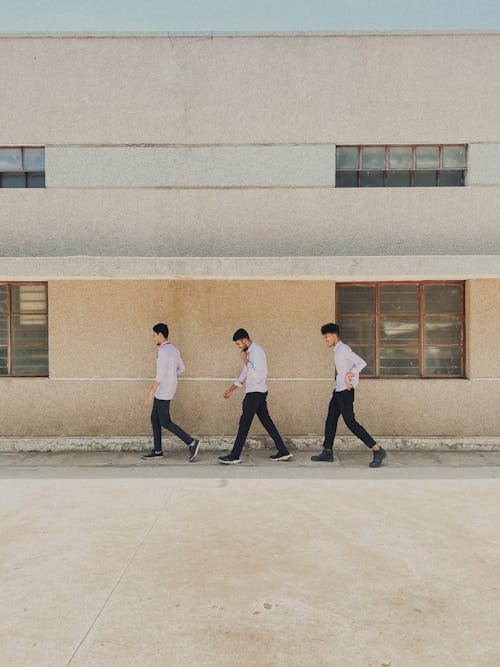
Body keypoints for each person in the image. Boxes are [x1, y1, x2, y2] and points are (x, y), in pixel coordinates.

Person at [311, 322, 386, 468]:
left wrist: (350, 376)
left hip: (345, 392)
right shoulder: (337, 350)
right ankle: (327, 451)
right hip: (338, 391)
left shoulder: (343, 349)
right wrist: (344, 377)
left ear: (333, 335)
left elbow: (361, 363)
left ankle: (377, 449)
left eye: (326, 337)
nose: (325, 340)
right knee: (330, 420)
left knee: (351, 423)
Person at [217, 328, 292, 464]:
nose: (238, 347)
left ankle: (234, 456)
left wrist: (245, 361)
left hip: (255, 394)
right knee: (267, 423)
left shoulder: (257, 353)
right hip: (256, 393)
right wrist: (231, 389)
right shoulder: (249, 353)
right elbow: (245, 374)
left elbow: (258, 375)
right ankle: (283, 451)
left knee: (244, 424)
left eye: (238, 344)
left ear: (245, 340)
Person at [141, 323, 200, 462]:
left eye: (154, 335)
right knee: (155, 419)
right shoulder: (173, 350)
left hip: (163, 390)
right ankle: (158, 450)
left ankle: (191, 442)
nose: (153, 338)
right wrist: (171, 375)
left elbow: (159, 376)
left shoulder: (163, 352)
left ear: (160, 335)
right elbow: (181, 368)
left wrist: (150, 394)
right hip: (168, 388)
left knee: (165, 421)